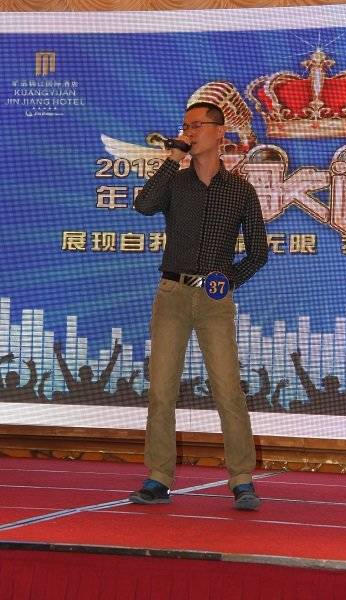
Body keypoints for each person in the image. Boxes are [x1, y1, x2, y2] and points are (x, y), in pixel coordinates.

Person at [129, 102, 268, 510]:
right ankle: (158, 477)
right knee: (161, 389)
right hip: (172, 294)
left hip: (213, 298)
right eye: (185, 126)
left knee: (227, 389)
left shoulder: (240, 190)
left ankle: (242, 479)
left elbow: (258, 252)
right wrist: (173, 158)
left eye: (196, 126)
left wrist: (229, 281)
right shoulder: (175, 181)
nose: (188, 132)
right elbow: (144, 205)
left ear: (220, 132)